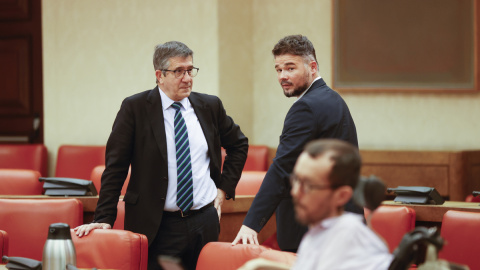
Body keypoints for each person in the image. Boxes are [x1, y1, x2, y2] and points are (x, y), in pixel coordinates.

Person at [74, 41, 248, 270]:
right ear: (160, 75)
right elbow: (115, 167)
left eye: (190, 70)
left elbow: (239, 144)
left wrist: (223, 189)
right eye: (179, 71)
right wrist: (103, 219)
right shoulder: (135, 108)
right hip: (157, 226)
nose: (187, 78)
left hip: (203, 222)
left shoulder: (209, 106)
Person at [232, 35, 362, 252]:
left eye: (290, 68)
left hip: (316, 230)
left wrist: (251, 224)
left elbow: (282, 168)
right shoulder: (333, 99)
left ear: (312, 67)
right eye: (278, 69)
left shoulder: (306, 108)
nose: (283, 76)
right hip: (341, 224)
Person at [239, 139, 392, 270]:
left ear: (342, 196)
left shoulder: (348, 238)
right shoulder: (319, 231)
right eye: (295, 181)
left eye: (308, 186)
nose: (295, 192)